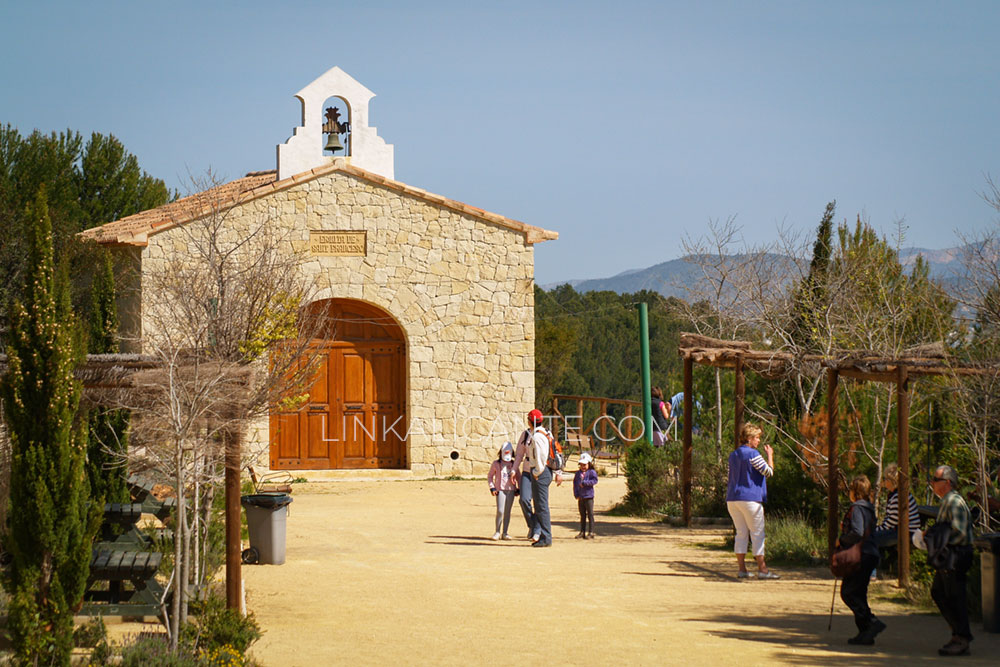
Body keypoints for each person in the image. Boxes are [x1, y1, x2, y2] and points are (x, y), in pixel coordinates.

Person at [927, 465, 976, 656]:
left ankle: (962, 638)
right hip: (950, 555)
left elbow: (958, 531)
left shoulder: (953, 501)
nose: (932, 483)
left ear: (947, 483)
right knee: (940, 592)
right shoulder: (947, 501)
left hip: (956, 554)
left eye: (935, 479)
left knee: (955, 596)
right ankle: (958, 634)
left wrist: (935, 537)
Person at [837, 475, 886, 645]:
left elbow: (857, 532)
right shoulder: (870, 508)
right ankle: (865, 632)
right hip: (871, 554)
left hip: (861, 554)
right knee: (859, 593)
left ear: (854, 492)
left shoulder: (857, 508)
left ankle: (871, 622)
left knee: (848, 592)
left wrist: (842, 540)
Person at [726, 422, 778, 579]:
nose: (759, 441)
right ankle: (762, 570)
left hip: (733, 498)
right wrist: (770, 456)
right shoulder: (753, 454)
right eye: (756, 437)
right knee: (757, 534)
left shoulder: (733, 455)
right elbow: (768, 472)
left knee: (741, 533)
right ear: (749, 438)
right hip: (750, 498)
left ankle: (742, 569)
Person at [524, 409, 554, 548]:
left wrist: (536, 472)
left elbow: (541, 457)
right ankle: (543, 535)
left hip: (540, 472)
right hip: (543, 471)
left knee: (541, 506)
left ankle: (546, 537)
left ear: (530, 421)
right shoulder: (546, 433)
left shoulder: (537, 436)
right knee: (540, 506)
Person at [873, 462, 920, 548]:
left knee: (871, 539)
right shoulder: (896, 495)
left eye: (885, 478)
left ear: (891, 480)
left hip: (906, 533)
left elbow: (891, 522)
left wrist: (876, 529)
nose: (884, 481)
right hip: (902, 531)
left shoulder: (898, 497)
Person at [512, 412, 541, 542]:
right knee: (524, 499)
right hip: (527, 470)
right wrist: (514, 470)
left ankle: (538, 530)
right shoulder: (525, 434)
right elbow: (519, 454)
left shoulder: (545, 434)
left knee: (539, 503)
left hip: (540, 472)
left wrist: (557, 473)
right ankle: (533, 525)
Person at [487, 442, 518, 540]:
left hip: (511, 490)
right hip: (500, 490)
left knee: (507, 512)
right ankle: (497, 531)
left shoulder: (514, 464)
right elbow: (490, 476)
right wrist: (492, 487)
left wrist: (519, 488)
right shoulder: (496, 464)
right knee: (500, 511)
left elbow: (519, 476)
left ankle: (505, 532)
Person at [574, 452, 599, 539]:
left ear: (589, 464)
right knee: (582, 515)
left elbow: (595, 481)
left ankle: (591, 532)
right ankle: (582, 531)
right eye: (581, 465)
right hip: (581, 497)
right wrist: (576, 493)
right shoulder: (578, 474)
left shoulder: (592, 472)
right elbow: (575, 484)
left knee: (590, 514)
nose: (583, 467)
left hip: (589, 496)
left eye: (584, 465)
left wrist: (585, 483)